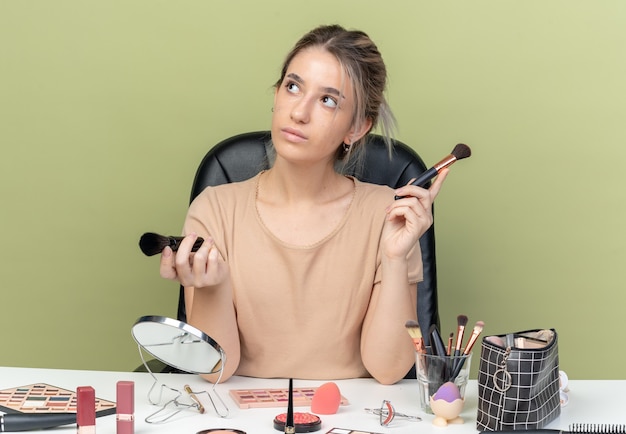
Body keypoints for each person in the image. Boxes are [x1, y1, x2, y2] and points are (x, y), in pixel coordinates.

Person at [159, 24, 448, 385]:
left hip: (352, 418)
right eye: (293, 87)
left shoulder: (387, 214)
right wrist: (210, 287)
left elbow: (389, 370)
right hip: (237, 416)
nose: (299, 112)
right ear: (277, 94)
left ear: (356, 128)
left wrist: (393, 259)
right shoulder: (214, 210)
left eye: (328, 100)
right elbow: (216, 369)